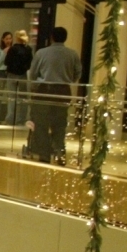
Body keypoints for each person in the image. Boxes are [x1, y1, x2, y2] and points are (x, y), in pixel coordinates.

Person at [28, 26, 80, 164]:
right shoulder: (72, 54)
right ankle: (59, 152)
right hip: (63, 91)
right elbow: (77, 73)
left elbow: (33, 73)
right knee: (60, 123)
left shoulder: (41, 53)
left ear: (52, 37)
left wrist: (34, 87)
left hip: (44, 90)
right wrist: (67, 79)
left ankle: (44, 154)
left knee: (41, 123)